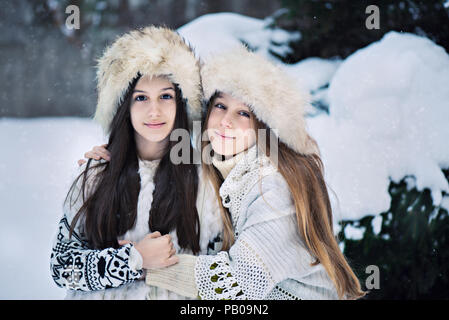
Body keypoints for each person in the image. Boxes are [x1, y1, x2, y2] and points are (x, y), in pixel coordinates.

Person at [86, 46, 365, 300]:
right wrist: (119, 155)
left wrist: (144, 264)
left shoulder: (272, 186)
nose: (226, 122)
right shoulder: (224, 169)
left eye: (244, 113)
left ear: (264, 127)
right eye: (220, 106)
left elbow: (237, 282)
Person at [49, 26, 222, 300]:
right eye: (141, 98)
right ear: (124, 107)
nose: (154, 110)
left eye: (165, 96)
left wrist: (163, 270)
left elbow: (224, 279)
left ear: (181, 103)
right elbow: (62, 269)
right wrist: (132, 260)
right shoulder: (94, 172)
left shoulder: (205, 181)